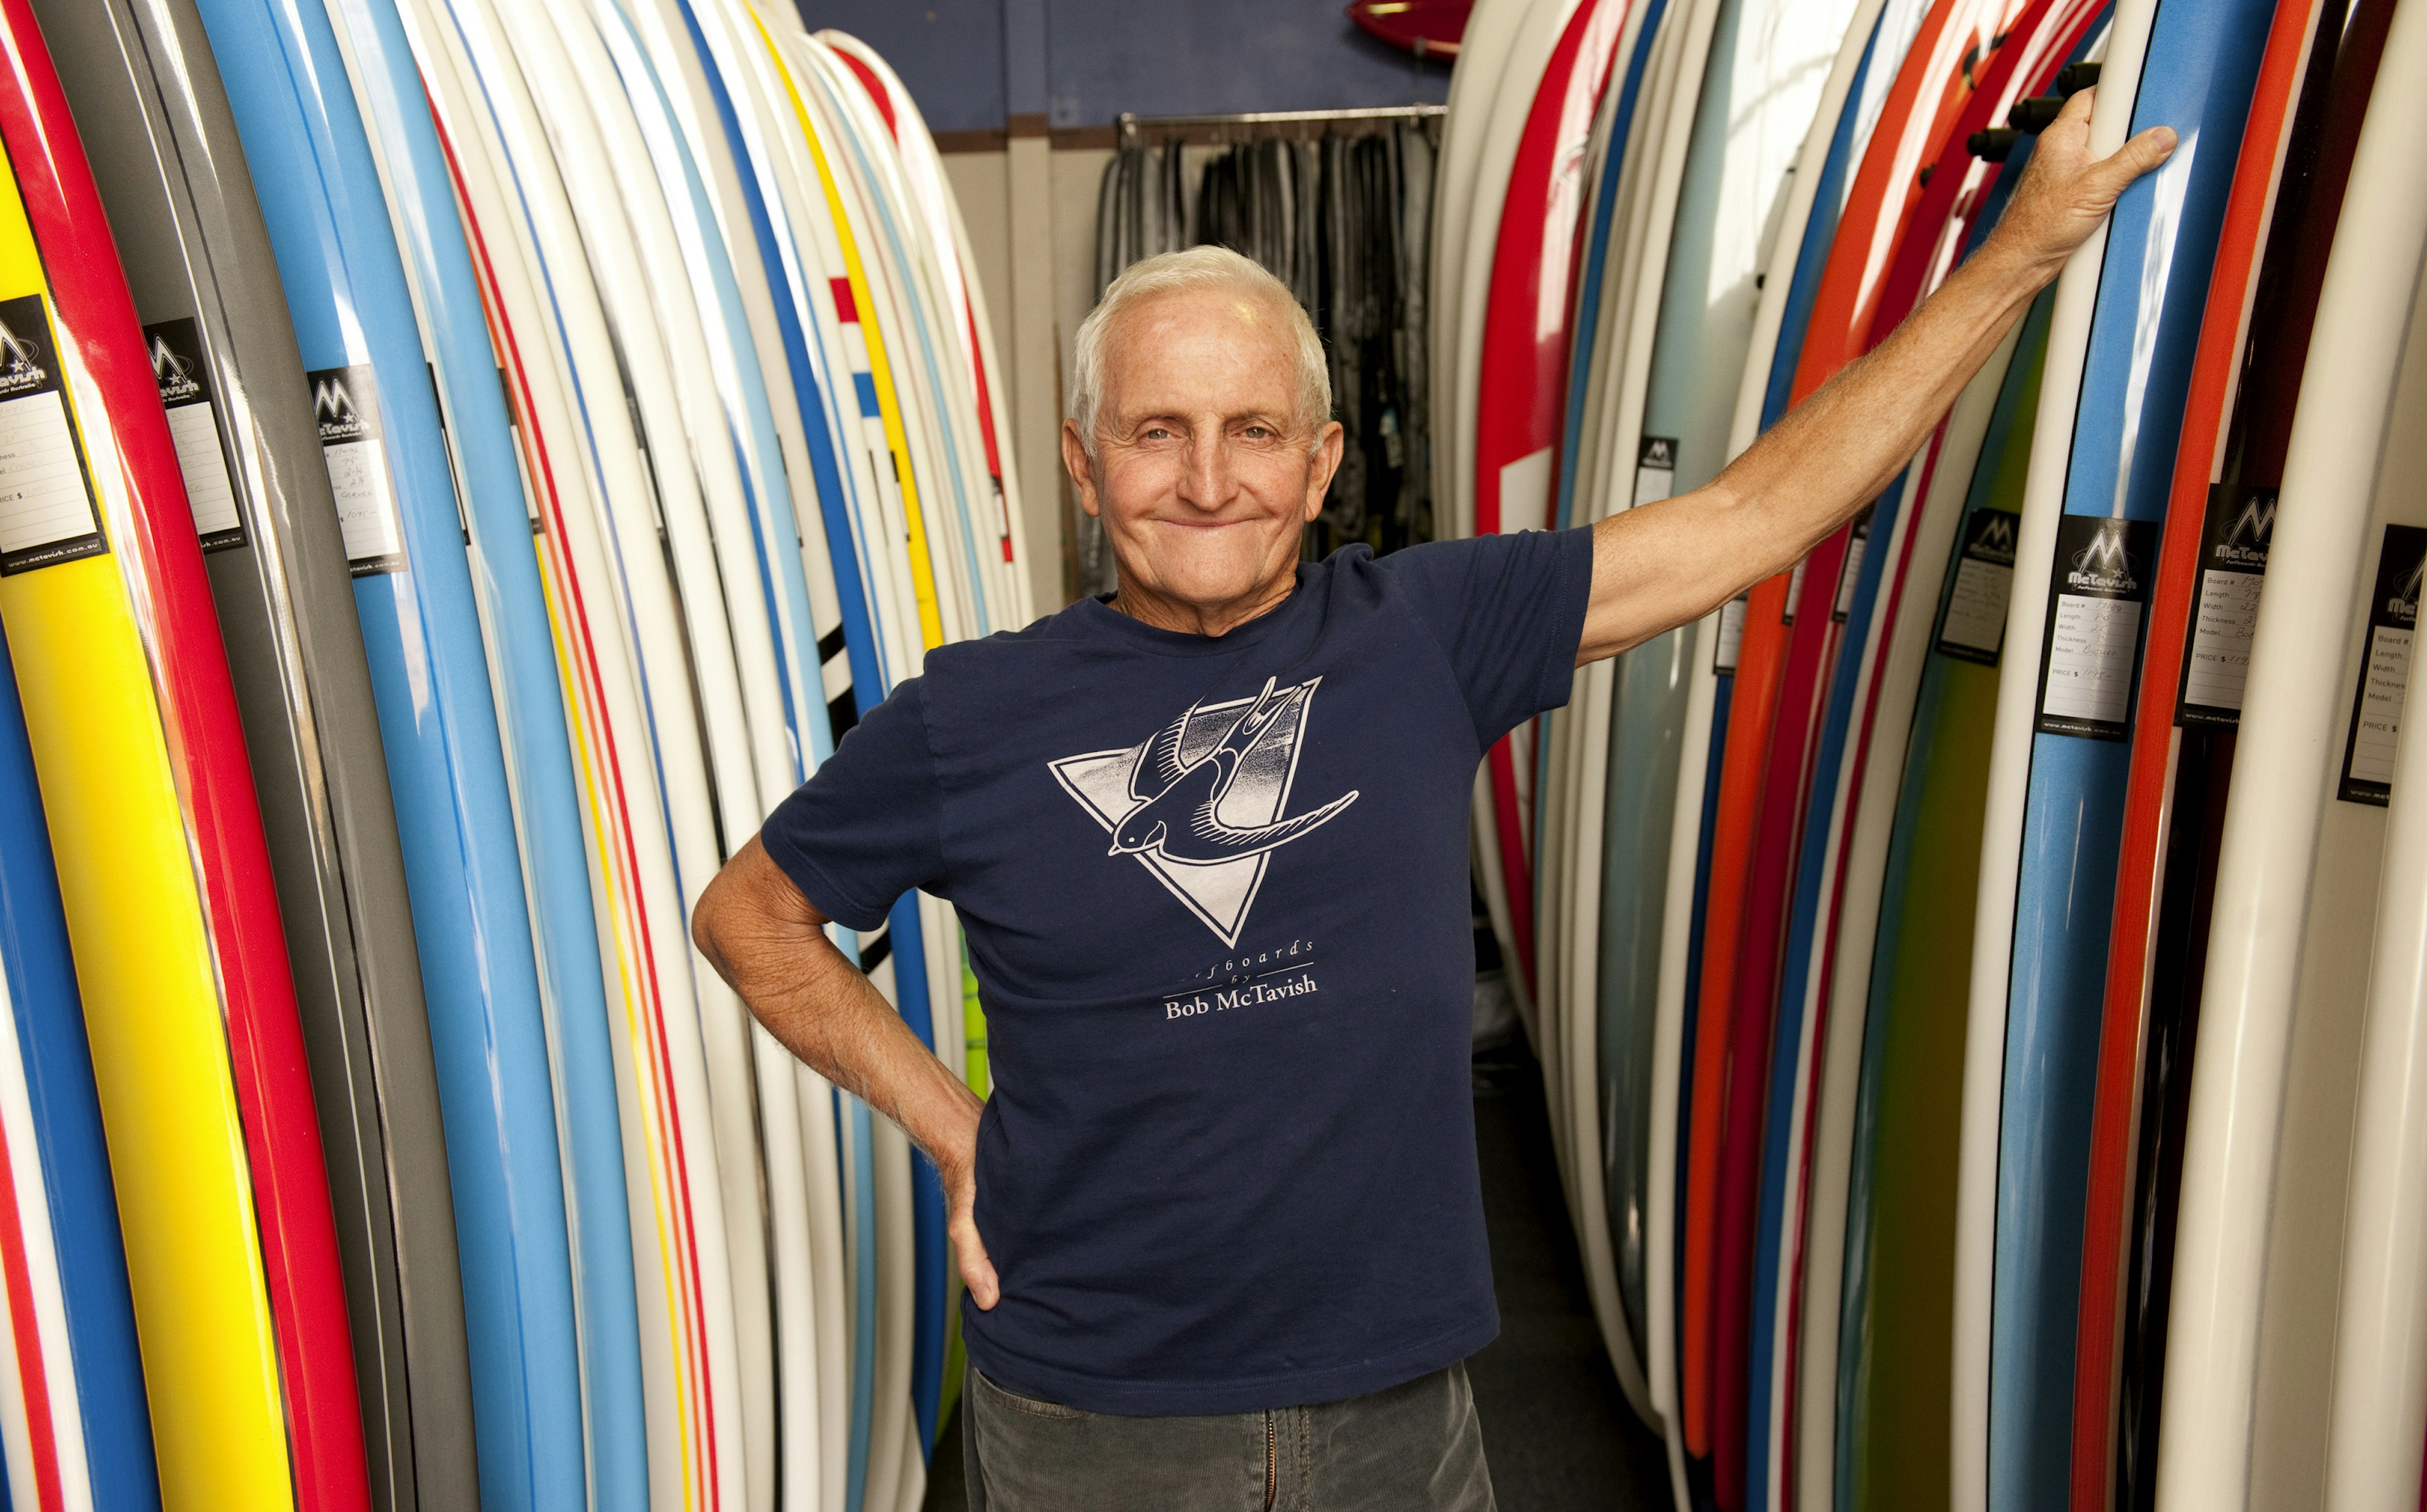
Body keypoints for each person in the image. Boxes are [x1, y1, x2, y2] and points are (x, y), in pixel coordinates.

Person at [690, 88, 2176, 1510]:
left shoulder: (1427, 630)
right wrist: (951, 1124)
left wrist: (2021, 252)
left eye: (1254, 430)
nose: (1206, 480)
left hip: (1393, 1408)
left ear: (1323, 464)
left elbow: (1760, 513)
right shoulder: (971, 715)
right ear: (1083, 465)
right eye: (1155, 432)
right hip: (1097, 1415)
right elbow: (749, 915)